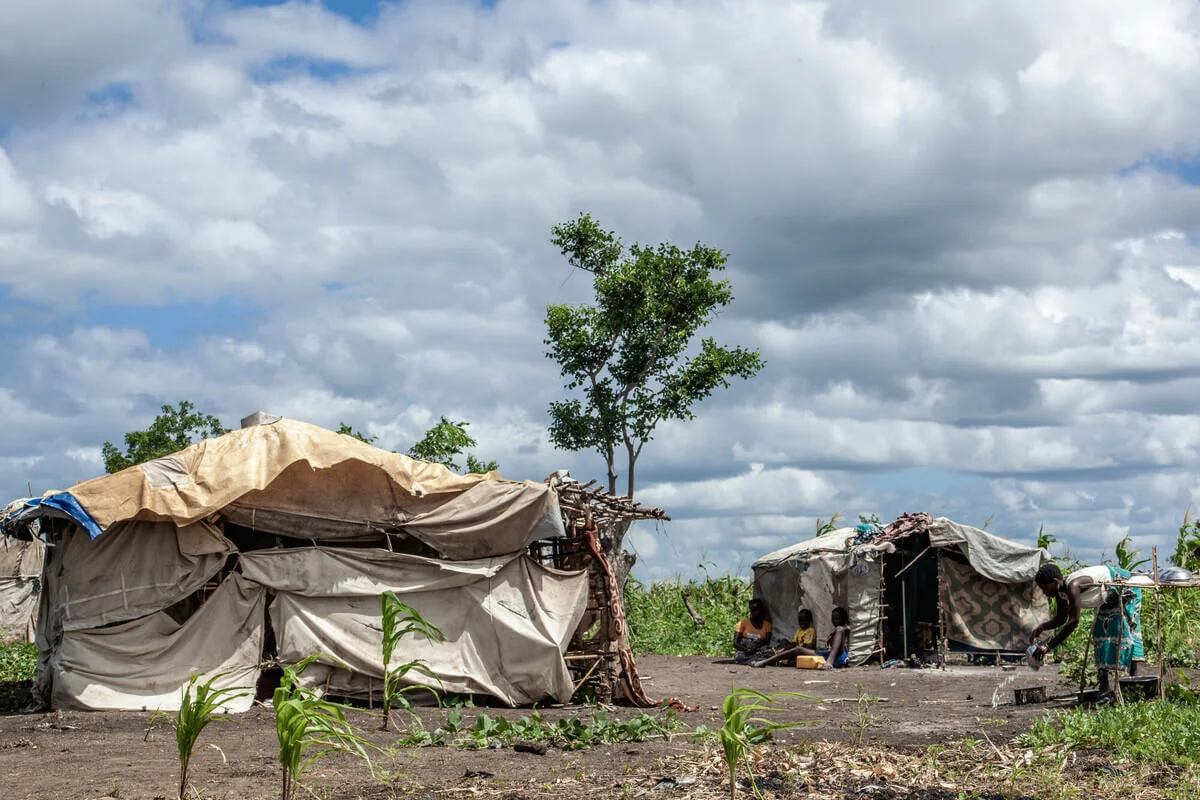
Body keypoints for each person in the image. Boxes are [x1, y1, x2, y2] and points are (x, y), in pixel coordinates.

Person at [1030, 563, 1143, 695]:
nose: (1044, 592)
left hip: (1123, 586)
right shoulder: (1061, 591)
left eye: (1044, 588)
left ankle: (1134, 681)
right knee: (1100, 633)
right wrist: (1042, 627)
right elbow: (1061, 618)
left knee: (1125, 628)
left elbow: (1073, 622)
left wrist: (1047, 647)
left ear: (1055, 582)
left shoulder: (1073, 586)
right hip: (1107, 596)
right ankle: (1104, 686)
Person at [750, 608, 818, 668]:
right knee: (784, 642)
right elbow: (793, 644)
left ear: (810, 621)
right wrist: (783, 650)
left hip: (803, 652)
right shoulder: (799, 631)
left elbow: (806, 647)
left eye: (804, 621)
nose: (802, 623)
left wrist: (789, 651)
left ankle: (772, 661)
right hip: (796, 650)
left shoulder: (811, 630)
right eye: (800, 621)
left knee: (796, 654)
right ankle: (776, 657)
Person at [733, 598, 775, 664]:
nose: (756, 613)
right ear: (750, 611)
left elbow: (767, 642)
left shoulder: (767, 625)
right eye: (753, 610)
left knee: (770, 654)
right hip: (745, 649)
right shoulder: (742, 623)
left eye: (758, 610)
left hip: (758, 649)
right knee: (740, 657)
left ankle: (750, 660)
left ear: (762, 611)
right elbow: (735, 643)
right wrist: (747, 650)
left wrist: (756, 646)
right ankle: (753, 661)